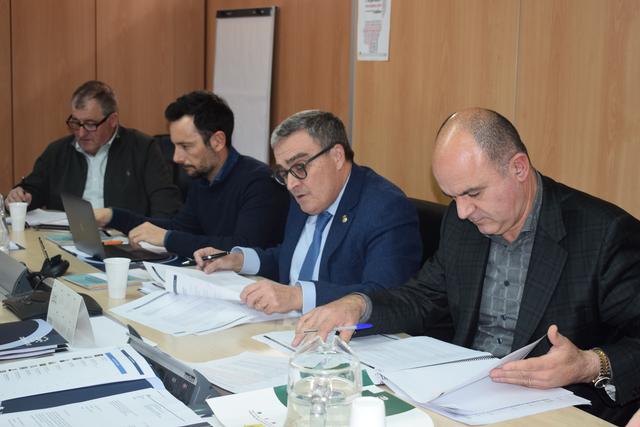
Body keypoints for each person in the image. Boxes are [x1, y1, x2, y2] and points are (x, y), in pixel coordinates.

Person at [294, 108, 640, 425]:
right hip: (463, 400)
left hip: (557, 412)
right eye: (453, 197)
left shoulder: (602, 233)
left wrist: (589, 365)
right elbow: (423, 297)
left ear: (518, 168)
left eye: (473, 194)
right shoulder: (463, 225)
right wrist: (359, 305)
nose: (462, 212)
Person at [194, 110, 422, 315]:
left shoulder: (385, 208)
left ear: (337, 156)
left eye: (299, 167)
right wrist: (239, 260)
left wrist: (298, 296)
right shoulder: (307, 192)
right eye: (284, 172)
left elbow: (386, 297)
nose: (291, 184)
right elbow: (293, 258)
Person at [94, 91, 289, 258]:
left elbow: (243, 248)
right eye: (175, 146)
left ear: (218, 141)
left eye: (186, 146)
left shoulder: (260, 182)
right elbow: (180, 229)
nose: (176, 158)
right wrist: (113, 216)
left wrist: (169, 239)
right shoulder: (201, 178)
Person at [6, 80, 180, 217]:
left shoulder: (143, 148)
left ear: (112, 120)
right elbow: (34, 189)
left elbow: (165, 207)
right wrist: (21, 196)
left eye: (90, 124)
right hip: (67, 240)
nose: (81, 133)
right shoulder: (58, 151)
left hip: (124, 242)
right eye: (76, 123)